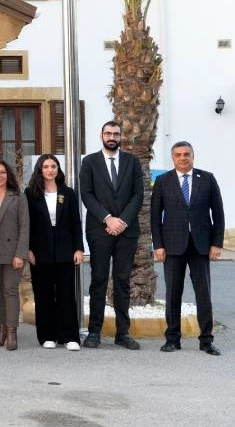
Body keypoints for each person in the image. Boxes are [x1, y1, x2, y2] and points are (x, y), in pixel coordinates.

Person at [151, 141, 225, 356]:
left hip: (201, 246)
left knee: (204, 294)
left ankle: (206, 341)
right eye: (178, 155)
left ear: (193, 156)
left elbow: (218, 214)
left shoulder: (208, 179)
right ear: (173, 158)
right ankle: (172, 339)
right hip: (172, 246)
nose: (183, 158)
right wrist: (159, 245)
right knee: (173, 293)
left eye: (186, 154)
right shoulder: (163, 181)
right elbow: (155, 217)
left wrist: (216, 243)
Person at [80, 120, 144, 350]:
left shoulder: (132, 162)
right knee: (98, 280)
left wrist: (122, 221)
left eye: (116, 134)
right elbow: (87, 195)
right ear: (101, 135)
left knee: (122, 280)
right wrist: (108, 218)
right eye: (108, 133)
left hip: (126, 232)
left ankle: (122, 333)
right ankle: (94, 332)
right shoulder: (89, 162)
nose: (112, 137)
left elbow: (138, 194)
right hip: (100, 230)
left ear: (121, 137)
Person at [25, 154, 84, 351]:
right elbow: (27, 225)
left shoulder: (68, 193)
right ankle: (47, 335)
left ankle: (69, 336)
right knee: (43, 295)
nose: (50, 170)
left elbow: (76, 222)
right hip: (40, 253)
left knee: (67, 294)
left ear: (58, 169)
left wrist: (78, 248)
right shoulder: (30, 194)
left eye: (53, 166)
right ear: (39, 170)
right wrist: (28, 249)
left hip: (65, 252)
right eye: (46, 166)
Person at [0, 160, 29, 351]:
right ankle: (0, 332)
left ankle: (12, 333)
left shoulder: (18, 197)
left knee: (10, 290)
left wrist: (20, 253)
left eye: (2, 172)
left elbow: (25, 227)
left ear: (8, 175)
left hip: (12, 251)